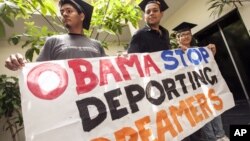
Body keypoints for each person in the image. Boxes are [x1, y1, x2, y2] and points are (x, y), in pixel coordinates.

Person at [5, 0, 106, 71]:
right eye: (62, 12)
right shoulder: (53, 41)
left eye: (69, 11)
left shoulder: (97, 45)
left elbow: (108, 70)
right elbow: (39, 71)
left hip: (93, 99)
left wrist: (122, 60)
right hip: (63, 100)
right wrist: (19, 64)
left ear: (81, 16)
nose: (64, 14)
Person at [173, 22, 229, 141]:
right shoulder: (173, 54)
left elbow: (208, 65)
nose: (186, 36)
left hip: (206, 85)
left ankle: (220, 135)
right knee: (203, 114)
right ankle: (211, 138)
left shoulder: (199, 50)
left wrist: (211, 53)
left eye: (188, 34)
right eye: (182, 35)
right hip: (191, 89)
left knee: (215, 108)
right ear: (178, 38)